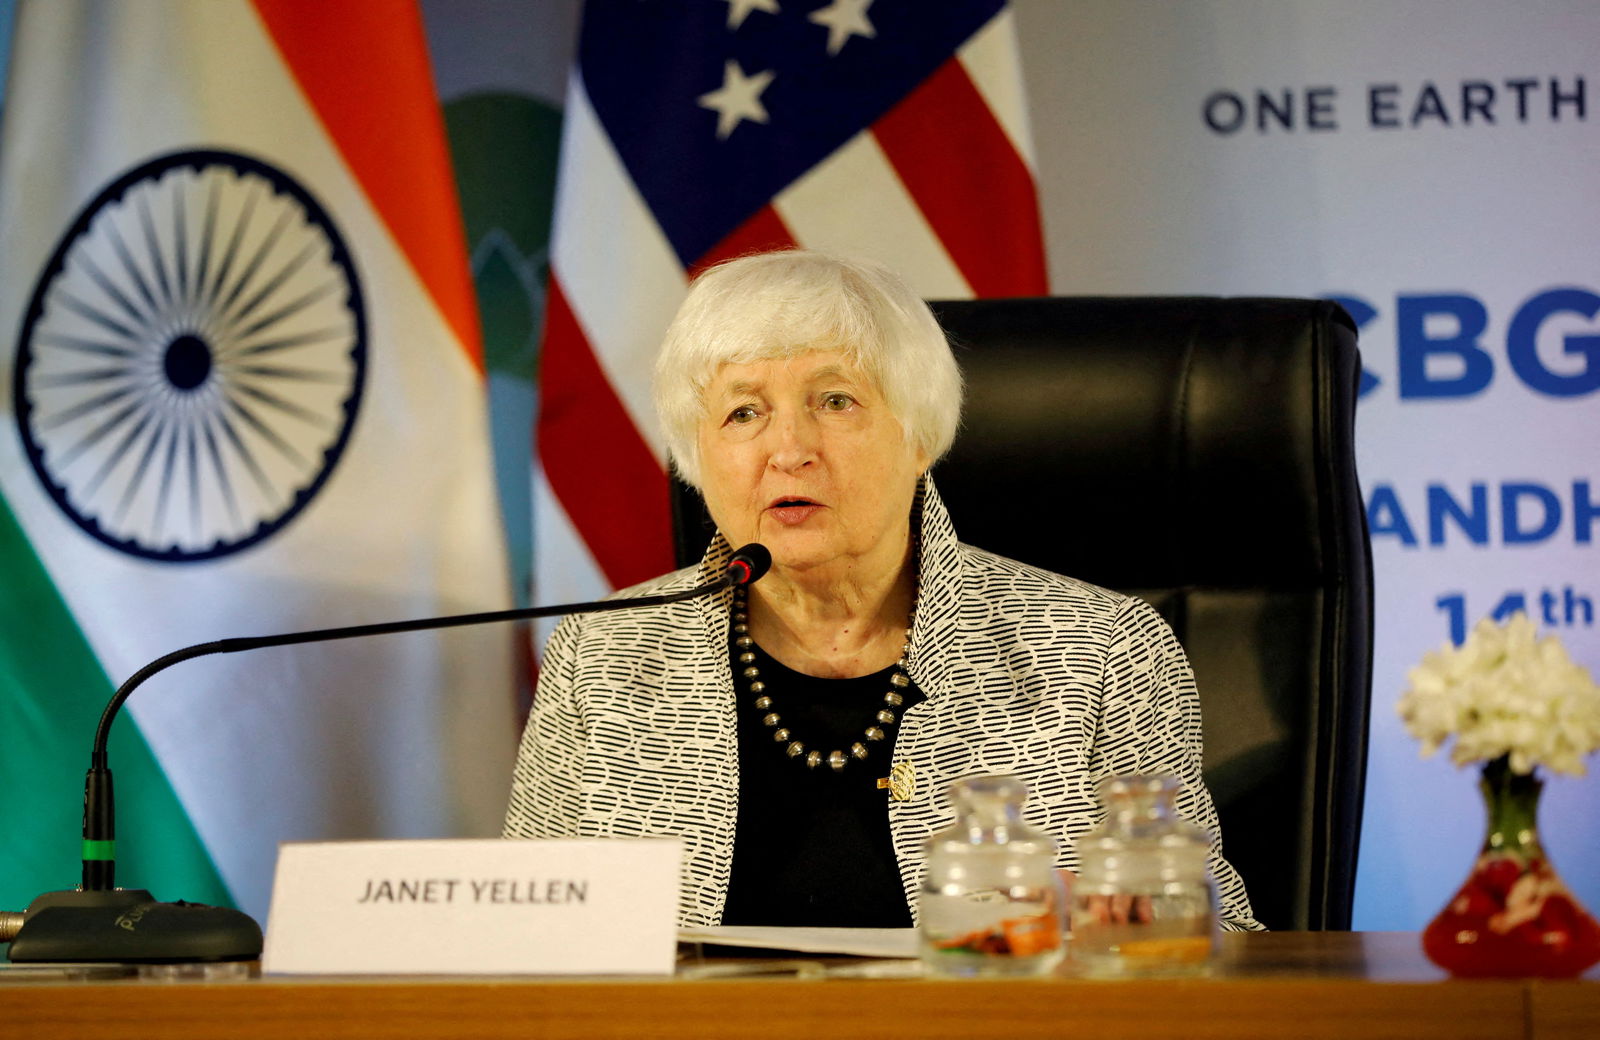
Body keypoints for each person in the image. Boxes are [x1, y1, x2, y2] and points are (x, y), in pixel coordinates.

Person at [504, 250, 1259, 931]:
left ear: (919, 435)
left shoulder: (1103, 650)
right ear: (697, 458)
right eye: (743, 412)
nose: (789, 450)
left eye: (835, 401)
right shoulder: (600, 653)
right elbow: (523, 941)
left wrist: (1145, 924)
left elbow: (1224, 944)